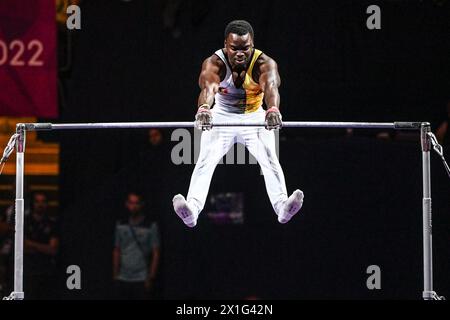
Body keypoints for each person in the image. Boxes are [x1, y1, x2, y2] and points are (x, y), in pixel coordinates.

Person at [172, 20, 304, 228]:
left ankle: (282, 207)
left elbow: (271, 88)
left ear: (253, 44)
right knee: (205, 160)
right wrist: (204, 109)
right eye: (235, 49)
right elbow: (208, 89)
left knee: (269, 158)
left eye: (246, 48)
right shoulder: (214, 63)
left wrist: (273, 110)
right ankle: (192, 211)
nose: (240, 54)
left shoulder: (264, 64)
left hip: (254, 117)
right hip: (222, 116)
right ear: (226, 45)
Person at [113, 192, 160, 300]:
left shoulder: (150, 225)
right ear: (126, 204)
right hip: (123, 277)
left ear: (141, 204)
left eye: (136, 203)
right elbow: (117, 250)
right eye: (131, 203)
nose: (133, 206)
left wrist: (151, 277)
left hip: (141, 278)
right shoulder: (121, 224)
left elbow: (156, 252)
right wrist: (115, 274)